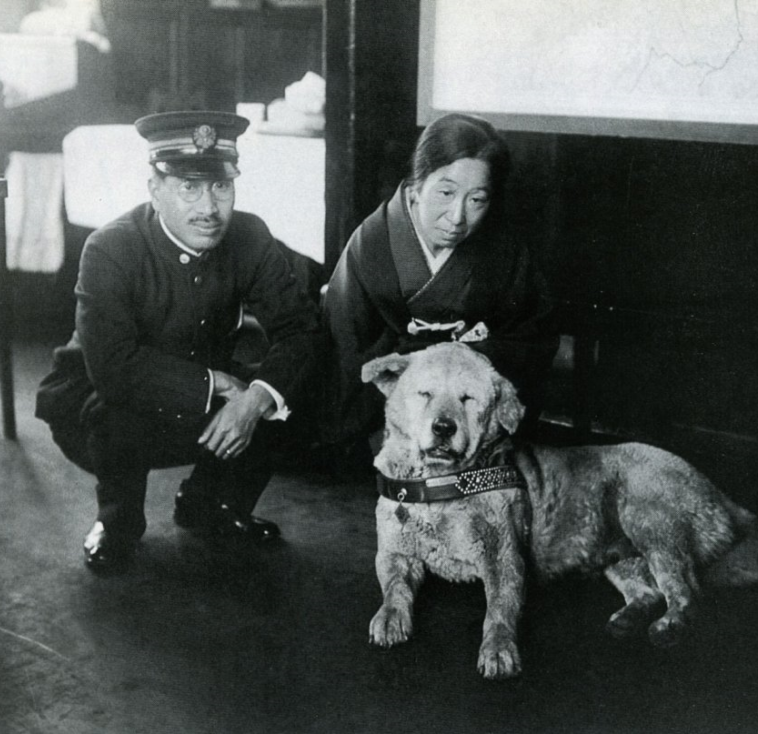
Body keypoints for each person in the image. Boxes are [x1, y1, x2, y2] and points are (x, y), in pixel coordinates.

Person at [35, 111, 322, 570]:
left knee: (289, 388)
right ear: (155, 189)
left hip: (202, 400)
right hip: (98, 405)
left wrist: (253, 402)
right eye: (189, 187)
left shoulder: (249, 235)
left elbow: (301, 330)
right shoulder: (111, 248)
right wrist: (213, 385)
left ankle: (211, 503)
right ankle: (117, 521)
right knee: (116, 411)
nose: (208, 208)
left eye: (221, 187)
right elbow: (113, 370)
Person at [323, 113, 559, 448]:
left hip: (471, 422)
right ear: (418, 185)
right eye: (446, 193)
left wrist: (470, 355)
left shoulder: (504, 251)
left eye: (477, 200)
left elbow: (531, 339)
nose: (458, 216)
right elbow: (346, 348)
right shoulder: (372, 245)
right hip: (389, 423)